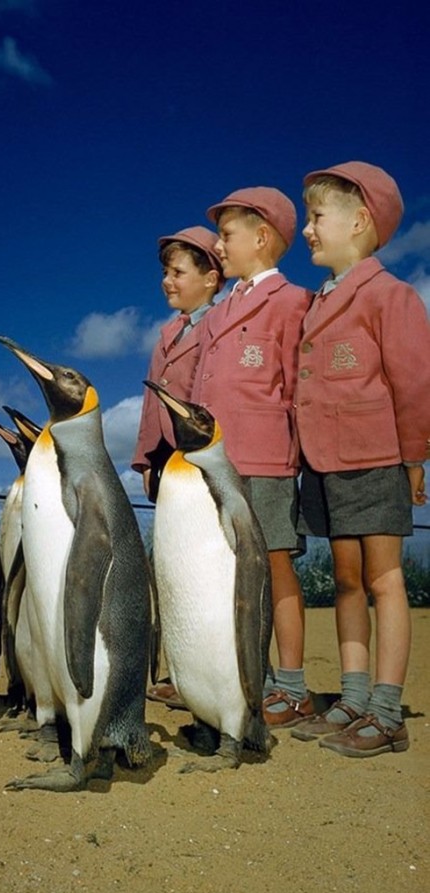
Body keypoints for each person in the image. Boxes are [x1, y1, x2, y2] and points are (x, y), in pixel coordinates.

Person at [290, 161, 430, 757]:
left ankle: (387, 708)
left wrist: (415, 458)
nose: (307, 230)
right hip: (323, 463)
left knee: (383, 578)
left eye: (317, 217)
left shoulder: (391, 296)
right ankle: (351, 697)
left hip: (375, 457)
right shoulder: (316, 303)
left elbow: (415, 383)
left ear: (360, 220)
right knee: (345, 580)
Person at [190, 186, 313, 729]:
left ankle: (291, 686)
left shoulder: (293, 302)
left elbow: (300, 385)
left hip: (266, 460)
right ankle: (246, 677)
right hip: (213, 464)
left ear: (262, 237)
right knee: (225, 570)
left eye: (227, 235)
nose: (218, 245)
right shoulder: (216, 314)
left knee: (276, 565)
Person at [132, 225, 224, 708]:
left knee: (206, 569)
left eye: (179, 271)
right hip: (169, 463)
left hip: (199, 459)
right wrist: (145, 457)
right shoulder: (166, 334)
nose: (168, 280)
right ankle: (179, 669)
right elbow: (152, 405)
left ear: (211, 278)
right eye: (166, 272)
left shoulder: (220, 326)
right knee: (171, 569)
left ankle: (217, 670)